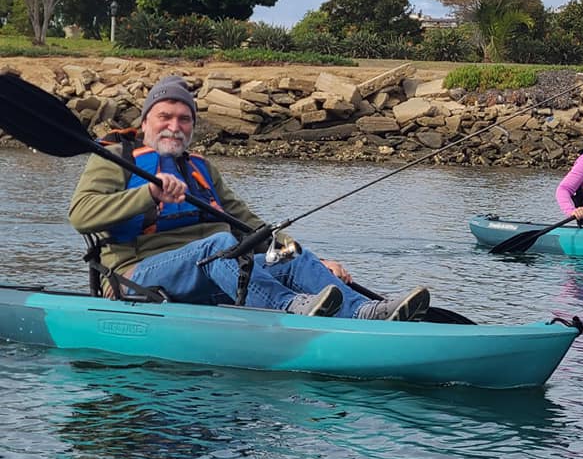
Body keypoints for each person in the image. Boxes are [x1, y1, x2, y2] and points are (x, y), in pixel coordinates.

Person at [68, 75, 431, 320]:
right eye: (165, 116)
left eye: (184, 119)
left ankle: (364, 313)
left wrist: (316, 263)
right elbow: (81, 215)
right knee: (220, 245)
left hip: (209, 271)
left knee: (288, 257)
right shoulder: (116, 159)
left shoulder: (200, 168)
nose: (174, 126)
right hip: (135, 279)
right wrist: (147, 194)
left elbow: (255, 228)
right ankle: (290, 309)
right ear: (146, 121)